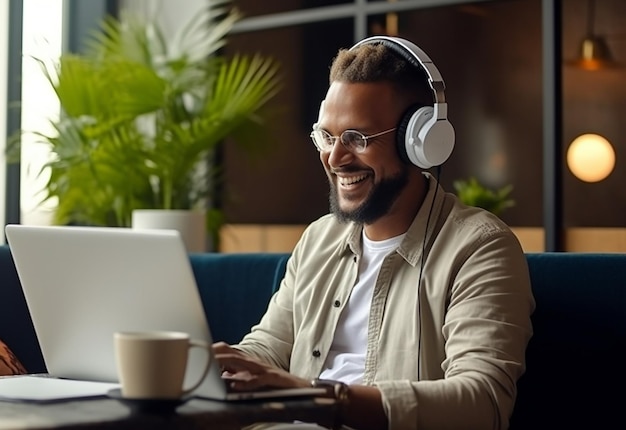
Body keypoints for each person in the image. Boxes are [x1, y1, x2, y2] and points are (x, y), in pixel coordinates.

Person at [213, 36, 535, 430]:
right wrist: (216, 367)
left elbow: (482, 402)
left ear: (420, 143)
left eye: (357, 139)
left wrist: (318, 398)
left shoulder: (479, 247)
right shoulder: (319, 238)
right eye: (327, 137)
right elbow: (269, 348)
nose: (335, 158)